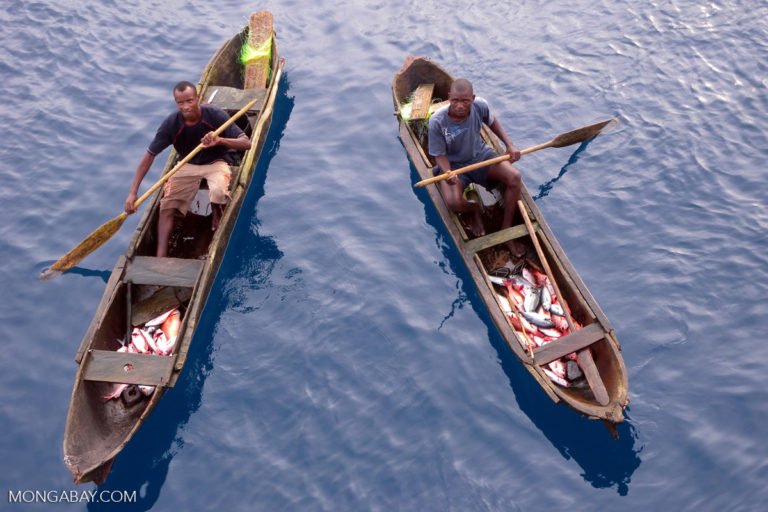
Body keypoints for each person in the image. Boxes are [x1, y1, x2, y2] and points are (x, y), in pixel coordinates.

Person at [124, 81, 251, 257]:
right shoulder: (171, 124)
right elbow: (149, 156)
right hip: (188, 165)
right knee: (167, 206)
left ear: (198, 99)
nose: (186, 107)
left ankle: (216, 214)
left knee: (219, 192)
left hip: (216, 162)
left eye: (190, 101)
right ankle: (161, 257)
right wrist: (132, 193)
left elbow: (246, 143)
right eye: (180, 103)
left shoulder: (214, 115)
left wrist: (220, 140)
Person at [428, 78, 525, 258]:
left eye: (465, 101)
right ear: (449, 98)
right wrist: (448, 172)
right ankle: (473, 210)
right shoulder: (437, 121)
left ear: (472, 98)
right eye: (455, 100)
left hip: (481, 156)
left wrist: (509, 145)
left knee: (514, 177)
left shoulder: (480, 106)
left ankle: (506, 231)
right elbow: (438, 155)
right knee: (453, 203)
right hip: (454, 167)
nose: (459, 105)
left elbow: (492, 121)